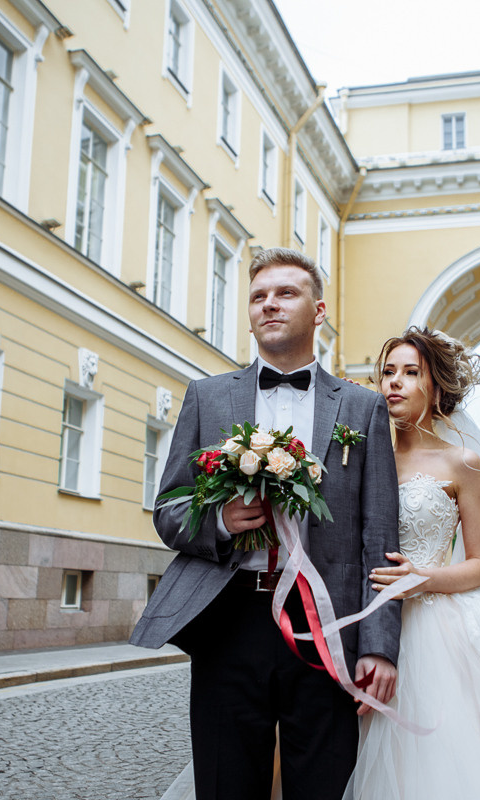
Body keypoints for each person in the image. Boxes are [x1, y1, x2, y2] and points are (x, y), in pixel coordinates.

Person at [131, 248, 402, 800]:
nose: (269, 305)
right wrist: (222, 520)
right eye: (258, 296)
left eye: (286, 293)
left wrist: (378, 644)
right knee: (226, 782)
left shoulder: (362, 408)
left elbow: (380, 535)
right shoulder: (206, 396)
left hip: (327, 626)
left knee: (322, 785)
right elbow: (168, 511)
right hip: (228, 618)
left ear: (318, 310)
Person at [345, 326, 480, 800]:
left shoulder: (461, 463)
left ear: (436, 387)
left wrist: (421, 577)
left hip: (432, 633)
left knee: (433, 762)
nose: (394, 383)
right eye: (387, 373)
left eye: (410, 372)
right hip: (360, 620)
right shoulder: (361, 455)